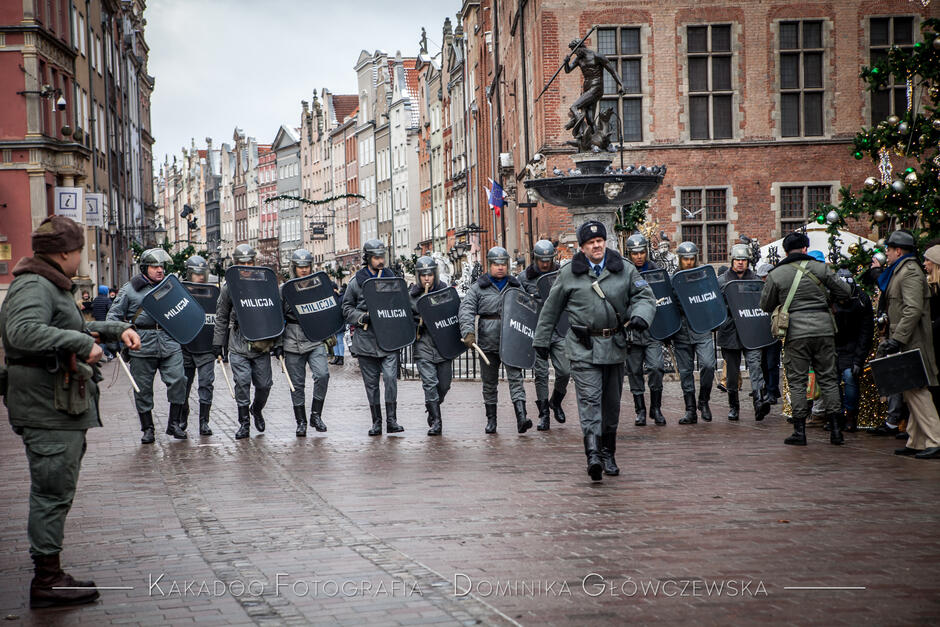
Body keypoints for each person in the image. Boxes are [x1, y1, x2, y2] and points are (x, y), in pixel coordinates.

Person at [1, 215, 141, 608]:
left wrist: (113, 331)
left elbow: (67, 325)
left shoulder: (47, 283)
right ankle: (47, 581)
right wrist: (81, 345)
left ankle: (51, 573)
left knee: (55, 490)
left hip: (56, 405)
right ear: (65, 252)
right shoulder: (35, 285)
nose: (81, 257)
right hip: (47, 408)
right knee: (51, 492)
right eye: (79, 250)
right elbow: (22, 332)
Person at [534, 221, 656, 480]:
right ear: (582, 248)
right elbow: (551, 309)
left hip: (614, 345)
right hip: (583, 347)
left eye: (599, 240)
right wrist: (541, 341)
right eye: (590, 243)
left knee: (611, 404)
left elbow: (644, 297)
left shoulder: (624, 268)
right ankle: (593, 455)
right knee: (590, 401)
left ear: (605, 242)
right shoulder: (569, 273)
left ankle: (608, 452)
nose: (596, 245)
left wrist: (641, 316)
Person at [760, 231, 852, 446]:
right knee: (829, 379)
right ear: (805, 249)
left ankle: (800, 432)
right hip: (824, 329)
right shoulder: (821, 268)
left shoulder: (777, 273)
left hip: (796, 333)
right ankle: (836, 431)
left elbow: (765, 305)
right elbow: (845, 291)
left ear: (785, 251)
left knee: (798, 381)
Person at [108, 247, 189, 443]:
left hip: (169, 340)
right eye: (154, 266)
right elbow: (113, 315)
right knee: (142, 389)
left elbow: (185, 309)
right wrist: (115, 337)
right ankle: (148, 428)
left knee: (179, 379)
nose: (159, 270)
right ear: (145, 268)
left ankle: (174, 423)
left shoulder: (171, 286)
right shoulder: (130, 289)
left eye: (161, 266)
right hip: (141, 343)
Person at [877, 231, 940, 459]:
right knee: (910, 390)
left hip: (913, 340)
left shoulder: (910, 272)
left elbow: (912, 309)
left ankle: (936, 439)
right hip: (906, 339)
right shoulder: (902, 271)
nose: (886, 253)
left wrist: (898, 338)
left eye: (889, 249)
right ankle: (917, 440)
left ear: (898, 251)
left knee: (917, 391)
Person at [459, 246, 532, 434]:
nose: (500, 267)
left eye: (503, 264)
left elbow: (527, 310)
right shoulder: (478, 287)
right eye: (496, 264)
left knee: (516, 379)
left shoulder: (516, 286)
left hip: (512, 339)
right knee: (489, 383)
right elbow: (466, 309)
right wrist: (468, 332)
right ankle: (491, 420)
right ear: (489, 265)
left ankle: (521, 417)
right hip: (487, 341)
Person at [213, 244, 280, 439]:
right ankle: (244, 424)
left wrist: (278, 342)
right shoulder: (228, 288)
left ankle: (256, 409)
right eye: (242, 263)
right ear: (235, 264)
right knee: (242, 382)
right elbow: (221, 316)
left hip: (261, 342)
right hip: (238, 341)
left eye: (250, 262)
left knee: (265, 384)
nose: (247, 266)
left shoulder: (265, 284)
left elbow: (275, 313)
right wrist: (218, 343)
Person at [342, 239, 405, 435]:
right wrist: (361, 317)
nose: (380, 261)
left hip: (389, 338)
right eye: (376, 258)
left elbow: (402, 302)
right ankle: (376, 421)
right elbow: (346, 308)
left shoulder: (391, 279)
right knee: (371, 384)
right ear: (368, 258)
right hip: (366, 339)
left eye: (382, 257)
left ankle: (392, 420)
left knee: (390, 378)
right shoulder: (355, 282)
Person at [517, 239, 570, 430]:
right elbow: (518, 304)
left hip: (557, 329)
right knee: (540, 374)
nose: (546, 263)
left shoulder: (561, 274)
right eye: (542, 260)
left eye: (549, 259)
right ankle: (544, 413)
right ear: (535, 258)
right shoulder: (524, 278)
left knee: (565, 370)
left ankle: (556, 400)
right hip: (537, 331)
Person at [716, 244, 771, 421]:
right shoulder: (722, 281)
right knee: (732, 372)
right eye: (737, 260)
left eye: (744, 260)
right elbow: (716, 306)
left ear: (748, 261)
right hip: (731, 330)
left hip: (751, 327)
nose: (740, 263)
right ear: (732, 260)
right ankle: (734, 406)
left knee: (755, 365)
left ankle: (758, 402)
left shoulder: (755, 280)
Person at [282, 249, 330, 437]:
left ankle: (316, 414)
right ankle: (300, 421)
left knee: (322, 374)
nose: (304, 270)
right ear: (294, 268)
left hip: (314, 336)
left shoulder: (318, 286)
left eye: (306, 266)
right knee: (296, 384)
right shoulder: (285, 290)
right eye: (300, 267)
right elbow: (277, 317)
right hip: (292, 339)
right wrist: (277, 344)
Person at [623, 233, 667, 426]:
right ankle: (639, 410)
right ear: (629, 254)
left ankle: (655, 408)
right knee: (634, 371)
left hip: (652, 329)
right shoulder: (623, 273)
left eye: (642, 252)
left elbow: (665, 299)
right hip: (631, 331)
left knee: (657, 367)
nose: (639, 256)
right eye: (635, 253)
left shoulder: (656, 271)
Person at [671, 242, 717, 424]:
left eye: (691, 259)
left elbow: (712, 298)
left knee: (708, 364)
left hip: (701, 326)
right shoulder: (673, 279)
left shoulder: (703, 276)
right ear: (680, 259)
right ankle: (690, 409)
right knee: (685, 372)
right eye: (685, 259)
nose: (689, 263)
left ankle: (704, 401)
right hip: (681, 329)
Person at [410, 256, 453, 435]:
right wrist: (417, 324)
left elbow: (453, 314)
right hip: (424, 344)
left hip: (443, 344)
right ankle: (437, 420)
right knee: (429, 383)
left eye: (429, 274)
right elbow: (406, 321)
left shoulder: (445, 291)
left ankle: (432, 405)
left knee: (444, 384)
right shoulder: (411, 296)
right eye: (423, 275)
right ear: (418, 277)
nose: (427, 278)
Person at [832, 269, 873, 433]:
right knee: (831, 382)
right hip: (833, 346)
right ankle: (836, 415)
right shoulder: (830, 297)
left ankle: (850, 415)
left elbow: (866, 331)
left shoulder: (862, 300)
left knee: (850, 377)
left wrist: (859, 359)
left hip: (853, 346)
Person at [181, 255, 216, 436]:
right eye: (196, 274)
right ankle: (182, 415)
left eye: (203, 273)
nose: (200, 277)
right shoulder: (181, 293)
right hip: (186, 346)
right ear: (189, 274)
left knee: (206, 383)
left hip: (206, 346)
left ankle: (204, 421)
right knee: (183, 385)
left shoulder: (213, 292)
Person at [755, 263, 781, 404]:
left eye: (765, 277)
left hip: (773, 330)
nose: (763, 281)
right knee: (764, 363)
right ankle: (768, 388)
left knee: (772, 363)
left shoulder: (778, 289)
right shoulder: (758, 290)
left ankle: (772, 390)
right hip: (761, 331)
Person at [91, 285, 115, 361]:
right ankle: (107, 354)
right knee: (104, 339)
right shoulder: (107, 300)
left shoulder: (95, 299)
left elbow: (93, 308)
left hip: (97, 321)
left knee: (99, 338)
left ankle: (103, 354)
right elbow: (111, 310)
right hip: (105, 322)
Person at [329, 281, 346, 366]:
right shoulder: (330, 298)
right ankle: (336, 357)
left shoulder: (340, 298)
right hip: (332, 322)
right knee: (334, 341)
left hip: (340, 322)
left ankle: (341, 357)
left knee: (340, 340)